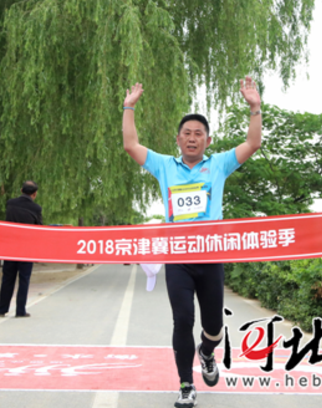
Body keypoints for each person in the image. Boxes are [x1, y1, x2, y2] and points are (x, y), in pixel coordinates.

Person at [122, 77, 262, 408]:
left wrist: (255, 107)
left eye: (198, 133)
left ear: (207, 141)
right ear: (178, 140)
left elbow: (252, 143)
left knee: (214, 327)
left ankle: (207, 351)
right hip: (178, 259)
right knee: (182, 320)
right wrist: (129, 107)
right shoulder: (164, 166)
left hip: (210, 258)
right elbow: (131, 145)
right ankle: (186, 384)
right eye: (186, 133)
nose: (192, 138)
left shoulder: (219, 164)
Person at [0, 181, 42, 318]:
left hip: (10, 247)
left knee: (7, 278)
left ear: (21, 190)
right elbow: (39, 229)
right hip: (27, 249)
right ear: (35, 194)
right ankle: (20, 310)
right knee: (24, 279)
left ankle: (1, 310)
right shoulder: (36, 208)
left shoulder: (10, 203)